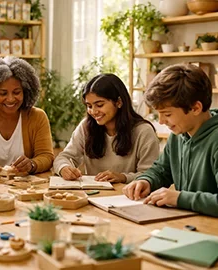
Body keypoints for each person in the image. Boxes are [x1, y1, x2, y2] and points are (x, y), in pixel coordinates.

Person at [123, 64, 218, 217]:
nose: (161, 121)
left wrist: (180, 198)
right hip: (188, 225)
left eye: (167, 114)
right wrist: (146, 181)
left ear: (195, 108)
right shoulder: (179, 134)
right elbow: (162, 170)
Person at [53, 73, 160, 183]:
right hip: (94, 195)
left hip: (129, 197)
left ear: (118, 102)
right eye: (89, 106)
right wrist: (64, 168)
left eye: (99, 105)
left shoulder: (143, 131)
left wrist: (122, 177)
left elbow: (152, 175)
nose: (93, 112)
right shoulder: (86, 126)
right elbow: (63, 157)